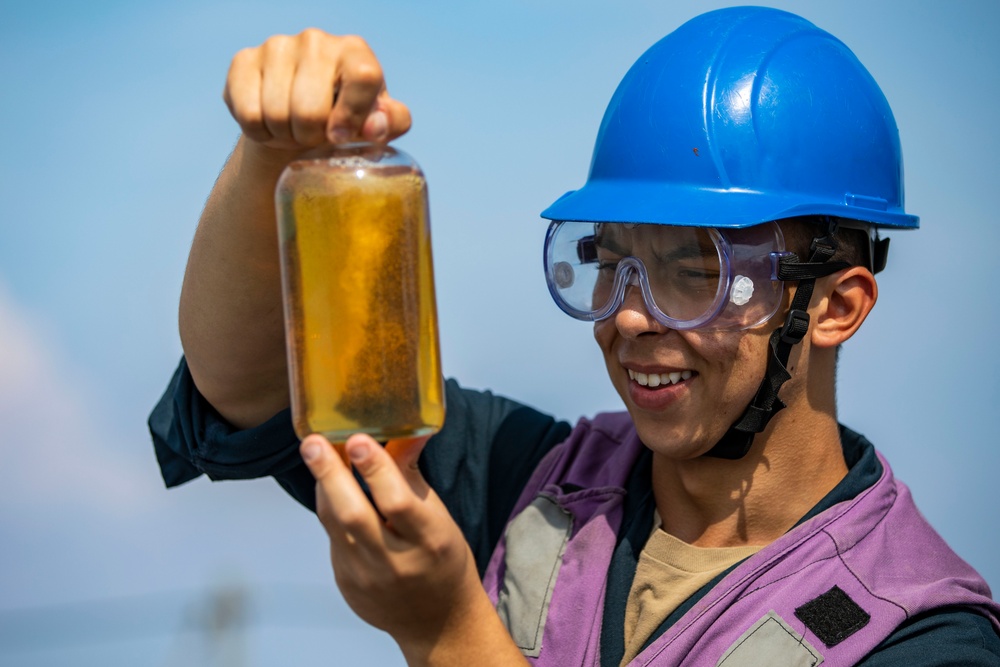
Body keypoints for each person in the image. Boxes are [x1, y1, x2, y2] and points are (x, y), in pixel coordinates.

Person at [149, 7, 1000, 666]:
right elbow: (245, 391)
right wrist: (273, 152)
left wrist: (448, 631)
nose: (629, 314)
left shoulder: (916, 631)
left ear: (835, 306)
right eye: (609, 258)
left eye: (694, 269)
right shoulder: (536, 488)